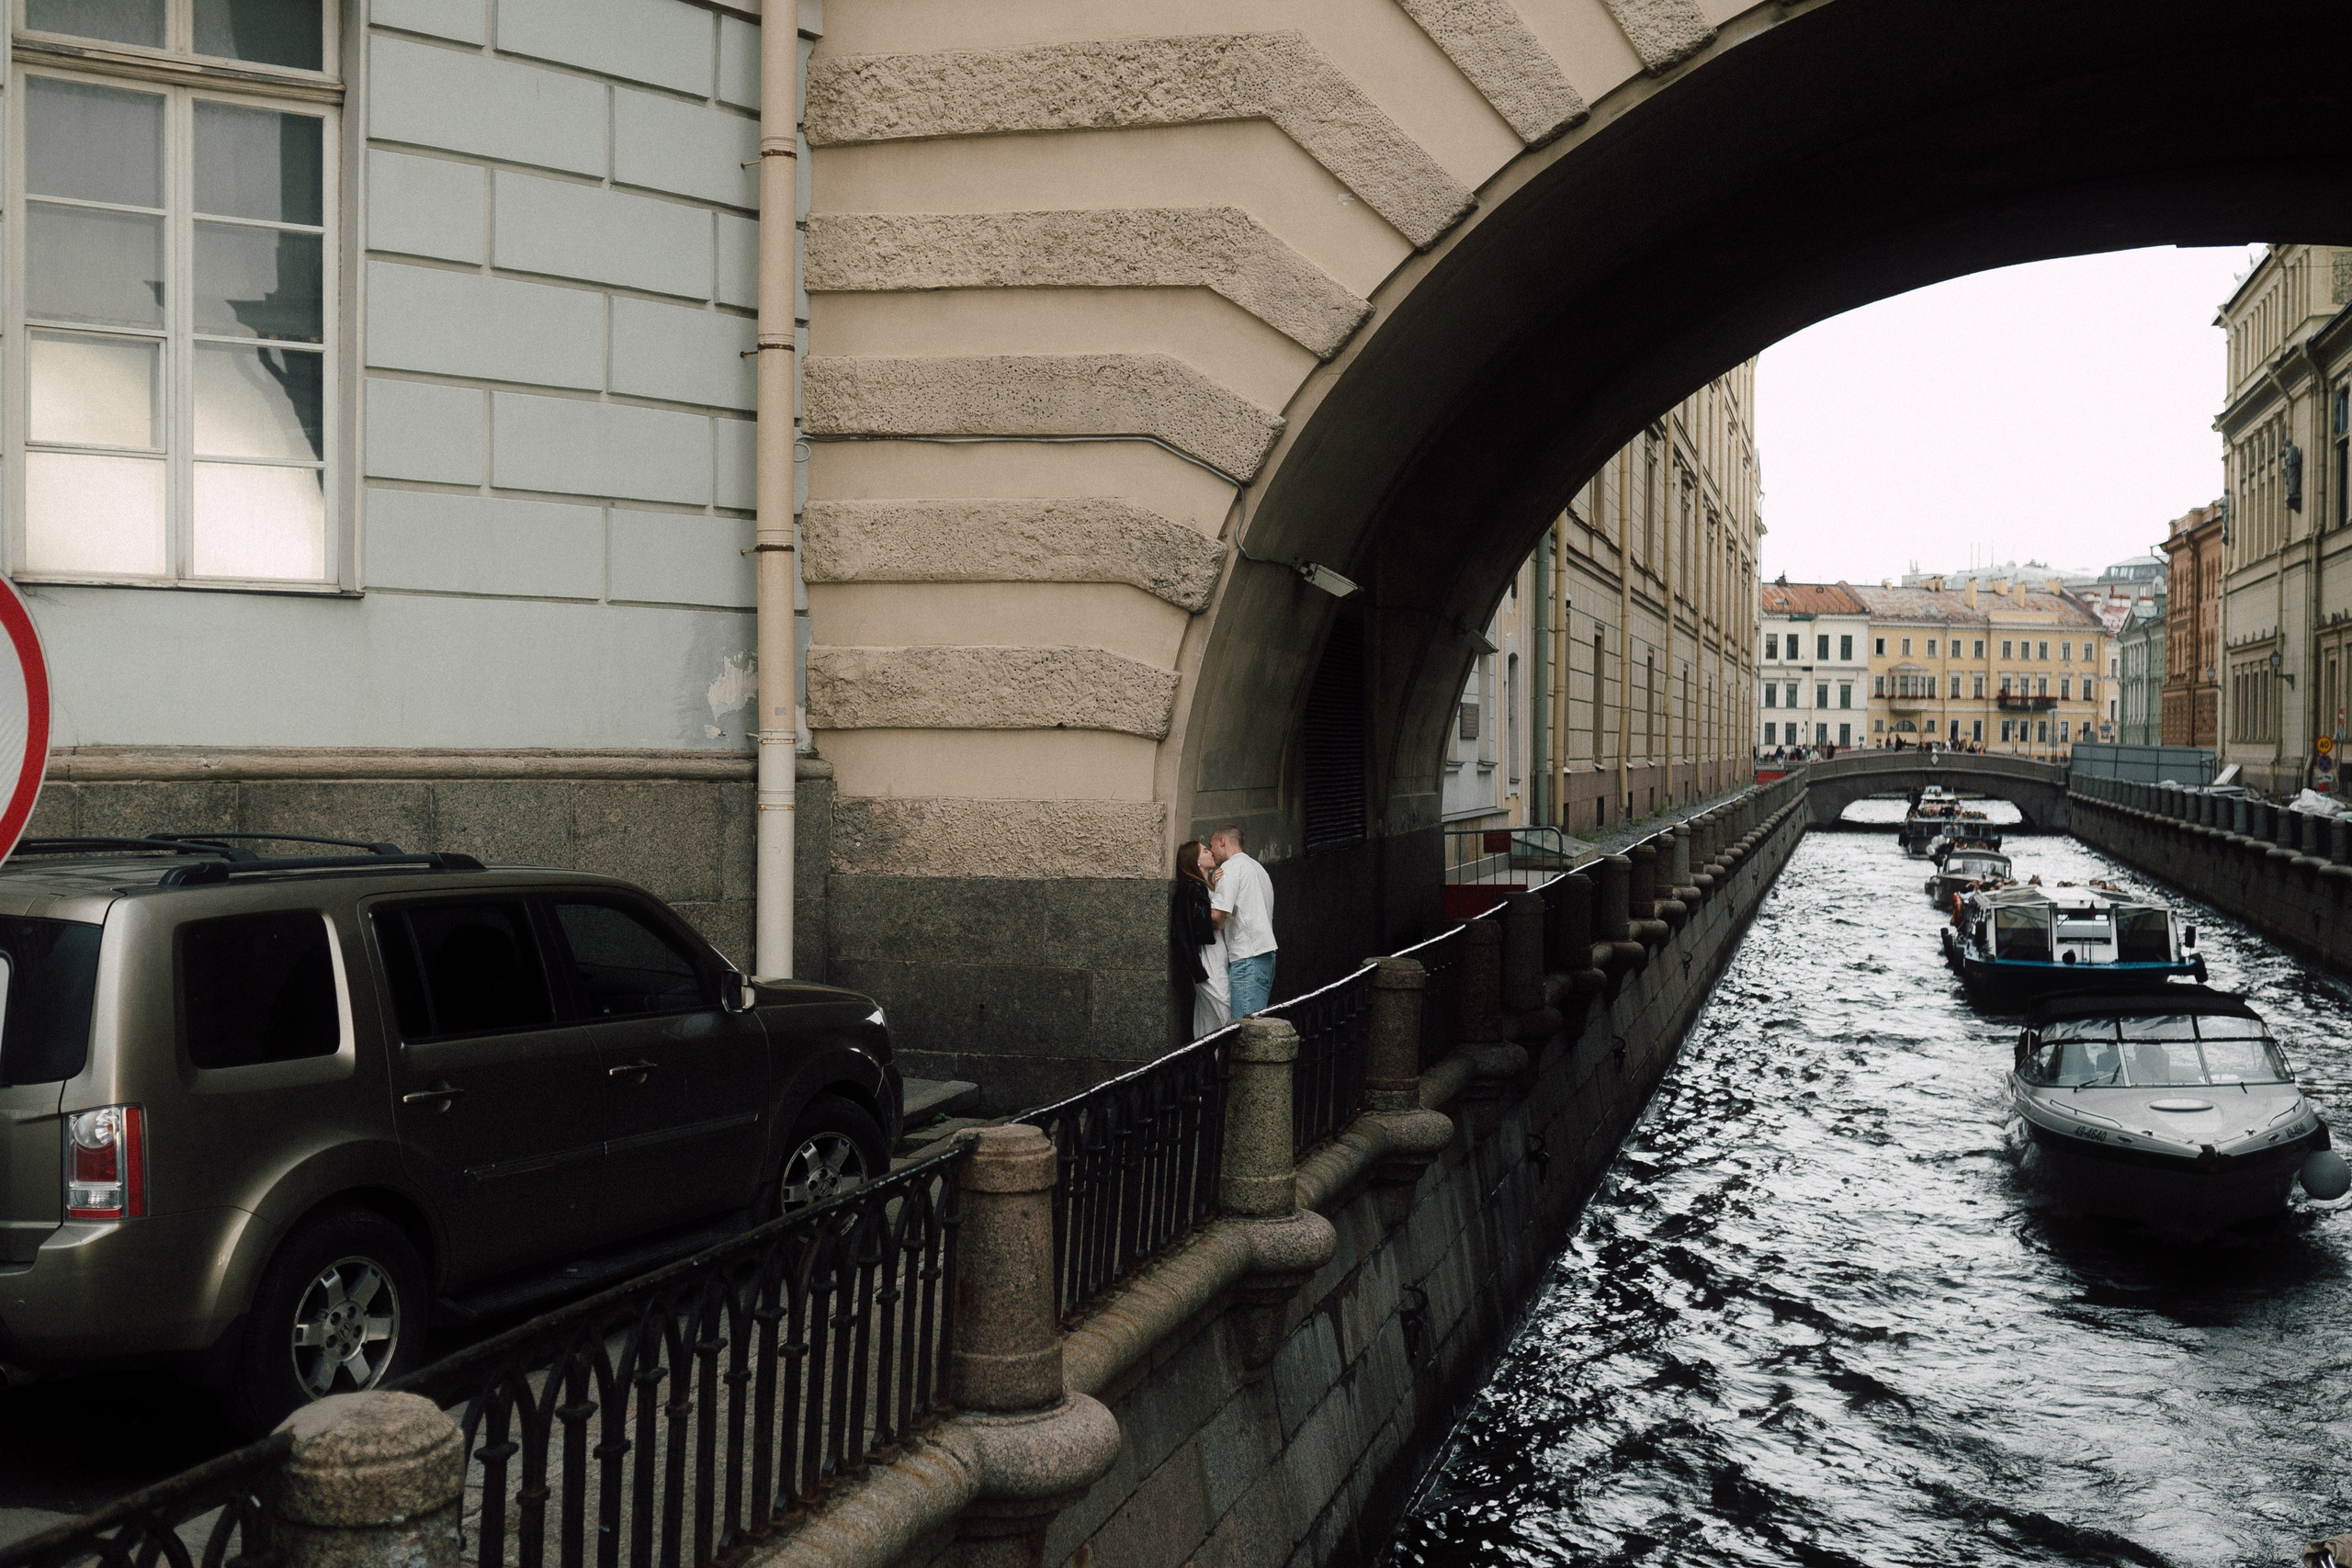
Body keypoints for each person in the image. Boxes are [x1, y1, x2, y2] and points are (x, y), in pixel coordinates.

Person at [1208, 825, 1278, 1016]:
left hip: (1247, 957)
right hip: (1265, 955)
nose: (1211, 852)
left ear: (1222, 841)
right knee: (1256, 1025)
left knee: (1245, 1031)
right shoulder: (1257, 868)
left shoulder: (1230, 868)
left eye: (1211, 845)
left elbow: (1217, 918)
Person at [1170, 840, 1229, 1038]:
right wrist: (1220, 890)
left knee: (1209, 1017)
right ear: (1195, 861)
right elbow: (1215, 923)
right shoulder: (1192, 888)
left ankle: (1209, 1065)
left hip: (1213, 954)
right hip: (1207, 957)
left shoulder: (1200, 887)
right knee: (1224, 1007)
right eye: (1205, 850)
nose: (1211, 853)